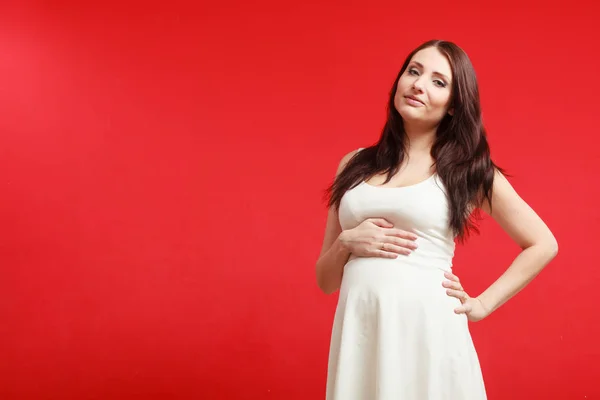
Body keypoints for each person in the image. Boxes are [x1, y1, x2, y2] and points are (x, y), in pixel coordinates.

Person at [315, 39, 559, 400]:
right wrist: (346, 243)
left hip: (428, 331)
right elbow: (325, 281)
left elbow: (543, 243)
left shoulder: (467, 172)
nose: (418, 84)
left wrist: (483, 304)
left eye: (438, 81)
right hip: (362, 331)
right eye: (413, 71)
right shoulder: (353, 165)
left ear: (453, 107)